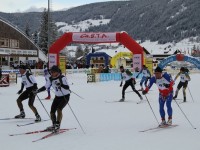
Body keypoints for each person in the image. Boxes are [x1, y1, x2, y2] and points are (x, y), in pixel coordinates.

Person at [35, 65, 70, 132]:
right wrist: (37, 91)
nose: (51, 73)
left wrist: (61, 85)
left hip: (65, 96)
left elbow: (67, 87)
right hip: (57, 97)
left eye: (53, 72)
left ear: (57, 72)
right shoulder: (51, 78)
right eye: (51, 72)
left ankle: (57, 125)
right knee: (52, 111)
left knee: (59, 109)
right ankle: (54, 124)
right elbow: (46, 86)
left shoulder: (62, 78)